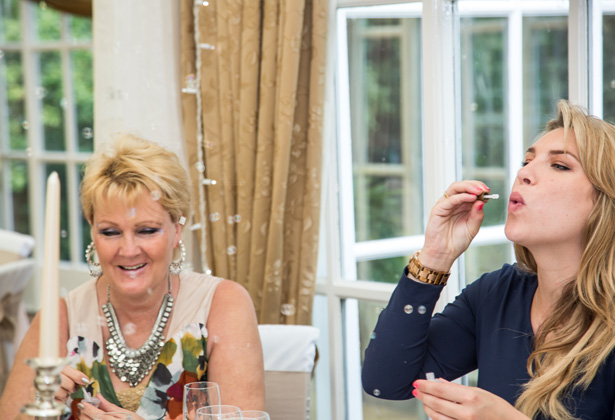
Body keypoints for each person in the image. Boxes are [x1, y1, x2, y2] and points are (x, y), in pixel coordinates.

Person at [362, 100, 615, 420]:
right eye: (526, 161)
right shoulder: (497, 293)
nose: (524, 173)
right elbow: (385, 382)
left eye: (560, 165)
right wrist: (435, 256)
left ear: (605, 202)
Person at [0, 134, 265, 419]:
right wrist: (36, 411)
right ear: (92, 231)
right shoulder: (59, 319)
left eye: (147, 230)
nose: (128, 250)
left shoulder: (223, 304)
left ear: (177, 230)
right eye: (110, 232)